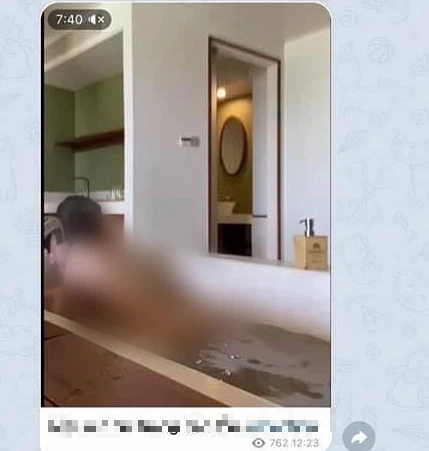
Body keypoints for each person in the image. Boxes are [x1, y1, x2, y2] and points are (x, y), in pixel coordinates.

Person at [44, 196, 224, 358]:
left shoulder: (83, 263)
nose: (51, 254)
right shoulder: (111, 259)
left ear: (61, 236)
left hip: (156, 343)